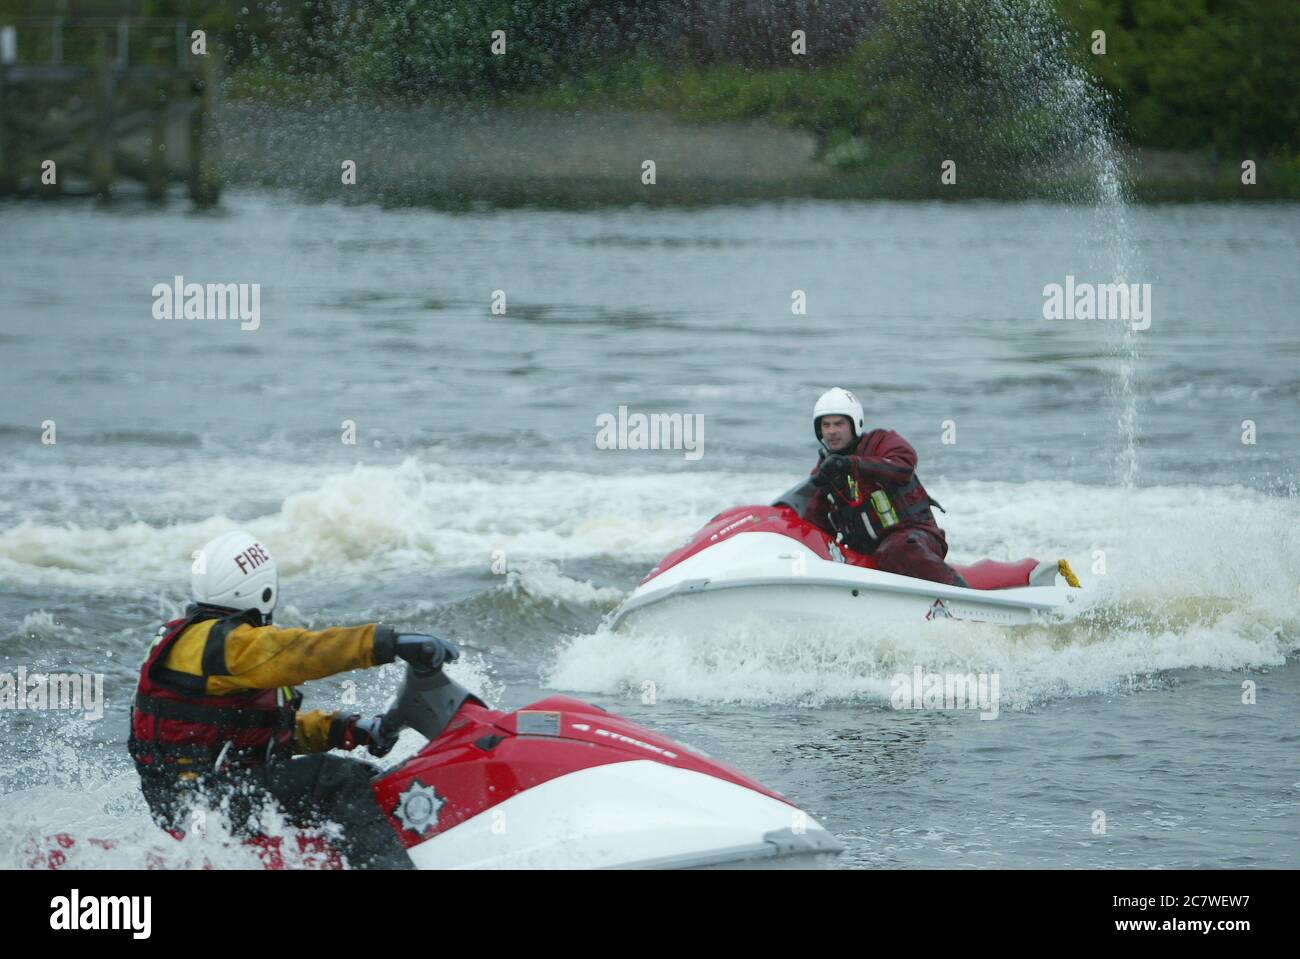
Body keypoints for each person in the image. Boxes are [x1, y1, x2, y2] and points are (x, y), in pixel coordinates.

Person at [128, 529, 458, 869]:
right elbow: (302, 653)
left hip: (207, 797)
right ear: (264, 589)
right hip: (203, 802)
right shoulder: (223, 644)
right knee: (336, 778)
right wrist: (390, 643)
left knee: (368, 779)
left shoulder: (207, 643)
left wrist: (348, 729)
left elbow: (264, 731)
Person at [806, 387, 970, 587]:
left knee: (896, 550)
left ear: (854, 424)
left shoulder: (881, 442)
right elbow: (813, 521)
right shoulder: (825, 472)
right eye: (826, 425)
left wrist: (851, 464)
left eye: (838, 424)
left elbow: (904, 465)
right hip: (866, 552)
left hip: (915, 536)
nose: (832, 431)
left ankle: (962, 595)